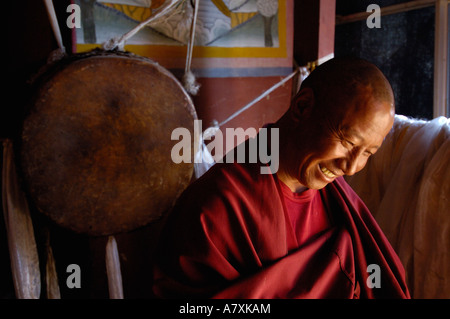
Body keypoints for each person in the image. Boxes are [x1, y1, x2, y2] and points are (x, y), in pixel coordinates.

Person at [152, 57, 411, 299]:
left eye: (367, 153)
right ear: (302, 107)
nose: (352, 167)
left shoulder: (338, 200)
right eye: (347, 141)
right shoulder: (216, 205)